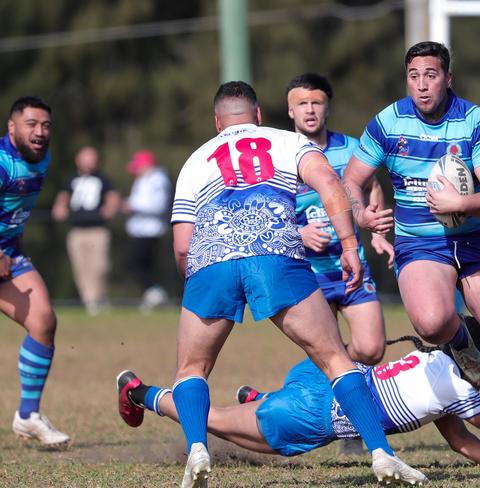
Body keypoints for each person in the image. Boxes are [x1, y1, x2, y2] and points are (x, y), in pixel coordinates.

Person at [161, 81, 426, 487]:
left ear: (218, 123)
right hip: (275, 255)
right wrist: (351, 246)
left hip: (212, 261)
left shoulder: (196, 160)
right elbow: (330, 186)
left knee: (192, 368)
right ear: (259, 117)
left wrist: (198, 280)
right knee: (335, 358)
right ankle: (381, 454)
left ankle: (197, 446)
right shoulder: (287, 142)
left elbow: (182, 244)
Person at [342, 41, 480, 473]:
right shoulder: (389, 121)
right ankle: (462, 342)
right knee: (429, 322)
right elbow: (352, 180)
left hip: (478, 241)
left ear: (448, 78)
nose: (422, 85)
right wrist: (361, 214)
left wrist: (458, 204)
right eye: (414, 76)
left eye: (431, 75)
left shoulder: (473, 121)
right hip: (421, 244)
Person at [117, 317, 480, 469]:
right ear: (476, 358)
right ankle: (140, 393)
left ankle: (259, 400)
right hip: (310, 412)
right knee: (210, 421)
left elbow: (464, 442)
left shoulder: (437, 369)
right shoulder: (456, 389)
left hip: (325, 377)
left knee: (252, 427)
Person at [288, 73, 394, 455]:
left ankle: (332, 395)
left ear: (327, 106)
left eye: (316, 102)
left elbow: (371, 189)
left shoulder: (351, 148)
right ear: (290, 110)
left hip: (351, 266)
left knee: (371, 346)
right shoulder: (282, 155)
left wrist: (376, 231)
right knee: (328, 351)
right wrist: (299, 234)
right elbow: (266, 210)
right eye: (302, 103)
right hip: (306, 273)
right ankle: (348, 424)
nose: (310, 110)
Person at [0, 96, 70, 447]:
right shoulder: (2, 162)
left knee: (43, 321)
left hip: (9, 257)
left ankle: (28, 415)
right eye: (31, 124)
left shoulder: (42, 160)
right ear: (11, 127)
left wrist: (13, 248)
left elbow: (17, 212)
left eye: (45, 125)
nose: (40, 132)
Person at [52, 146, 120, 315]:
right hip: (77, 231)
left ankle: (100, 297)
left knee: (100, 267)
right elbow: (63, 198)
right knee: (81, 268)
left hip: (97, 230)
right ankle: (90, 302)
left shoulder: (103, 179)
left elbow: (113, 197)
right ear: (78, 160)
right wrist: (60, 208)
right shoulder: (71, 180)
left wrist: (110, 208)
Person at [123, 149, 172, 312]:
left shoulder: (158, 180)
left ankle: (155, 293)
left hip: (150, 230)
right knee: (142, 265)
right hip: (140, 229)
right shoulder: (143, 179)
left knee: (135, 264)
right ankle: (153, 295)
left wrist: (132, 206)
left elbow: (157, 205)